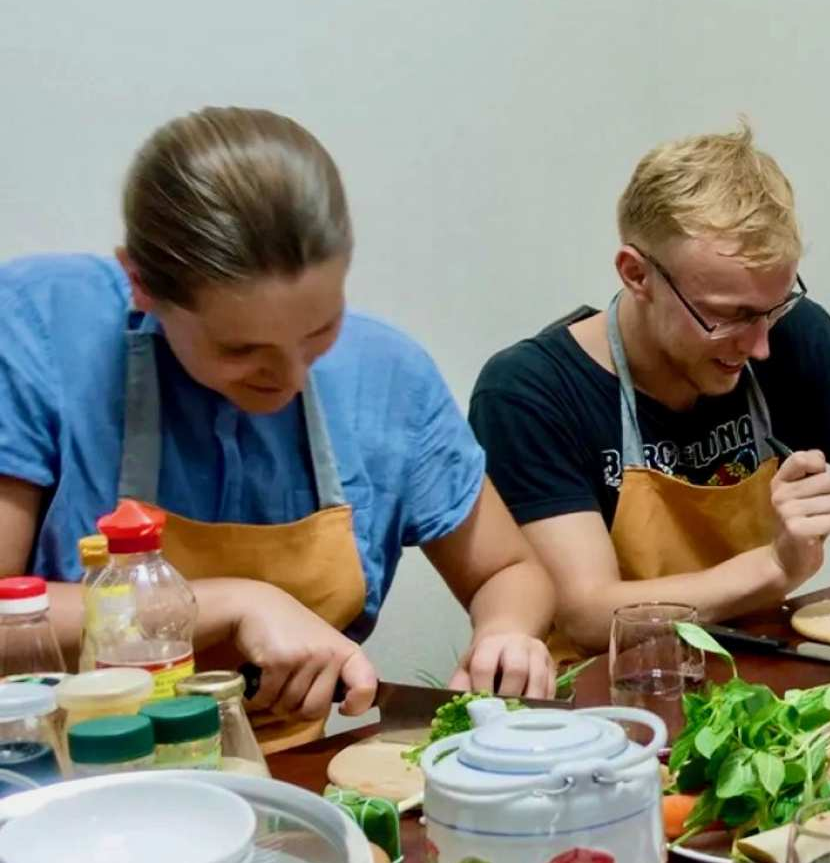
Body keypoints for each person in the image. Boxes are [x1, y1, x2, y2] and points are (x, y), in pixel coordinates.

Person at [0, 107, 557, 750]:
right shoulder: (40, 331)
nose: (288, 376)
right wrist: (237, 602)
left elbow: (508, 570)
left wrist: (506, 634)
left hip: (287, 773)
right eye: (240, 349)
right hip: (69, 774)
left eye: (320, 331)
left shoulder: (386, 375)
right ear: (141, 285)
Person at [470, 125, 830, 652]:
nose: (759, 346)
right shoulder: (529, 392)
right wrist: (775, 565)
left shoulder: (791, 335)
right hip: (609, 702)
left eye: (774, 307)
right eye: (725, 316)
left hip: (758, 674)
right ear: (636, 274)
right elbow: (587, 613)